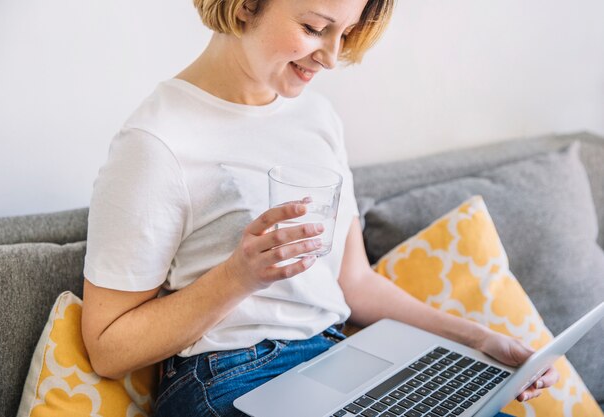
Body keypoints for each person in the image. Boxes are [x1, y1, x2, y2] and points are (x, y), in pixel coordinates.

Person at [80, 0, 559, 416]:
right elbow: (107, 346)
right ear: (247, 5)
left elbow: (354, 282)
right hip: (230, 377)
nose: (331, 57)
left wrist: (478, 341)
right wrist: (239, 275)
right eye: (314, 29)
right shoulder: (156, 141)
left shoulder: (317, 118)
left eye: (345, 33)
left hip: (338, 358)